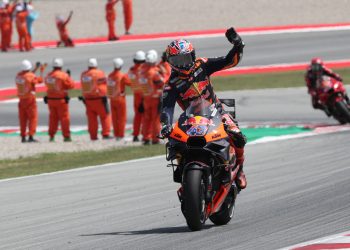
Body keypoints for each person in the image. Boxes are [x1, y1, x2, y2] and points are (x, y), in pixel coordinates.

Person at [160, 27, 247, 190]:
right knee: (176, 143)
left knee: (238, 136)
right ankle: (185, 176)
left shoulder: (203, 65)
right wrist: (165, 125)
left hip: (217, 112)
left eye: (186, 58)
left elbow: (228, 61)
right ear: (171, 62)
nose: (183, 64)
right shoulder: (170, 85)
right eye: (178, 61)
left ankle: (240, 169)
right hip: (190, 118)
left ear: (192, 56)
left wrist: (237, 45)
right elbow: (167, 108)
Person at [44, 58, 75, 142]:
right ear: (61, 66)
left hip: (51, 100)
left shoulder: (48, 75)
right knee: (64, 118)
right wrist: (69, 77)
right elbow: (71, 86)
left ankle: (51, 136)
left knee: (53, 118)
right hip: (61, 100)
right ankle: (66, 136)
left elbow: (46, 83)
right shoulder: (63, 75)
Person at [81, 58, 111, 140]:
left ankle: (93, 136)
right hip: (99, 99)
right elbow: (104, 83)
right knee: (105, 116)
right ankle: (106, 134)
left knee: (91, 119)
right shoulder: (100, 73)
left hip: (88, 100)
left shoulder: (83, 74)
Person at [140, 50, 164, 145]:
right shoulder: (154, 73)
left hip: (145, 98)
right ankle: (155, 139)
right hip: (155, 99)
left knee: (146, 119)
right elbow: (162, 83)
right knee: (156, 119)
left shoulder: (142, 71)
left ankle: (146, 138)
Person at [15, 60, 44, 142]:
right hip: (30, 100)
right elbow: (39, 80)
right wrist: (41, 71)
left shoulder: (18, 76)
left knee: (22, 119)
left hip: (21, 100)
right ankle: (31, 136)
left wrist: (36, 69)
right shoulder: (30, 76)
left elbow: (28, 75)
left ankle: (23, 137)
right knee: (32, 118)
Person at [123, 50, 146, 142]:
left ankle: (135, 135)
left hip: (136, 96)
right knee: (146, 117)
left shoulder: (131, 70)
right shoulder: (143, 70)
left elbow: (127, 81)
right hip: (144, 95)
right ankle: (145, 135)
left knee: (137, 116)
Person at [107, 58, 128, 140]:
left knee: (115, 118)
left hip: (112, 99)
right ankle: (121, 134)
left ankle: (116, 134)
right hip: (120, 99)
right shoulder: (122, 75)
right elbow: (130, 82)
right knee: (122, 118)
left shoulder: (110, 75)